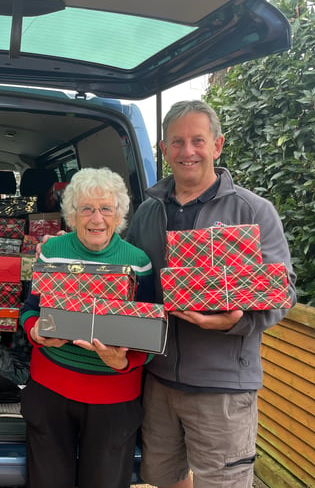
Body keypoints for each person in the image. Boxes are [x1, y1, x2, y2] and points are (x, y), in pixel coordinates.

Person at [125, 100, 297, 488]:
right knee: (164, 479)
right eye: (177, 142)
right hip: (159, 379)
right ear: (165, 149)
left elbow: (283, 291)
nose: (188, 151)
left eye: (197, 141)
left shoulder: (253, 211)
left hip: (223, 385)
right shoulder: (148, 213)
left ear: (217, 146)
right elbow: (129, 280)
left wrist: (238, 322)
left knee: (222, 483)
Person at [20, 167, 155, 488]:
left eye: (106, 208)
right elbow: (28, 310)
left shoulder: (138, 262)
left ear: (119, 213)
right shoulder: (52, 252)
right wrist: (35, 332)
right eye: (87, 209)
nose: (97, 219)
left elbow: (150, 335)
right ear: (72, 214)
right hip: (50, 394)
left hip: (113, 402)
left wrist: (123, 361)